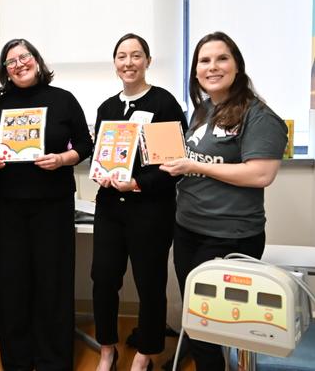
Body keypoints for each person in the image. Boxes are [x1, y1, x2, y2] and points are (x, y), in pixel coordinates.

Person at [160, 31, 287, 370]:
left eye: (221, 59)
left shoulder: (259, 116)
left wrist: (192, 165)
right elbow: (197, 163)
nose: (212, 67)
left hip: (230, 235)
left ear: (237, 66)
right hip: (188, 228)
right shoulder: (204, 110)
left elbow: (260, 174)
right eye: (204, 60)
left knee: (212, 328)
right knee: (199, 322)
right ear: (196, 70)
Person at [0, 38, 93, 371]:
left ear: (36, 60)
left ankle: (53, 359)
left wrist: (63, 159)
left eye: (24, 57)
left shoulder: (62, 100)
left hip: (53, 206)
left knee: (53, 282)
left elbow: (86, 145)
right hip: (9, 205)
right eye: (11, 61)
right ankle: (18, 359)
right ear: (5, 70)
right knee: (13, 282)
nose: (19, 64)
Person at [91, 34, 187, 371]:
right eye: (122, 56)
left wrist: (138, 183)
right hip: (109, 208)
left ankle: (146, 352)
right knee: (103, 279)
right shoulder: (108, 108)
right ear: (114, 62)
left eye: (135, 55)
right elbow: (101, 155)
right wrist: (101, 172)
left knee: (149, 283)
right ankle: (107, 349)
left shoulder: (163, 104)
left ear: (148, 61)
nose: (128, 62)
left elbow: (173, 166)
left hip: (150, 210)